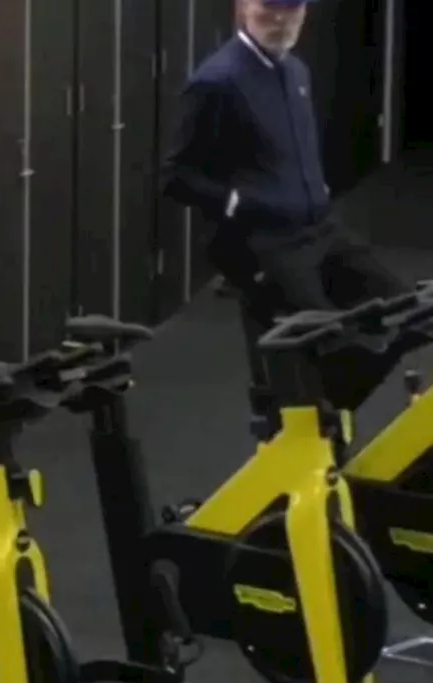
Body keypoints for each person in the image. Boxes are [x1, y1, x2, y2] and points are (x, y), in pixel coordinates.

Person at [163, 0, 412, 409]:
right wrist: (238, 203)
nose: (280, 20)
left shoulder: (296, 71)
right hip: (266, 242)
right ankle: (302, 427)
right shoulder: (217, 81)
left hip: (320, 228)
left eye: (291, 8)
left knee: (404, 312)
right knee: (327, 339)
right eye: (269, 9)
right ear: (243, 6)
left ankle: (324, 418)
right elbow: (175, 176)